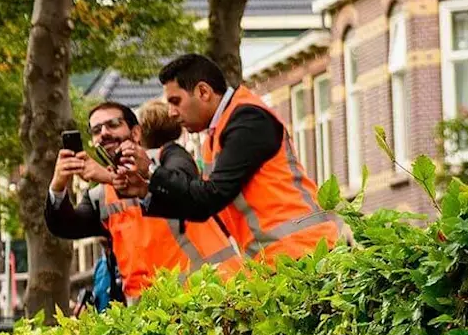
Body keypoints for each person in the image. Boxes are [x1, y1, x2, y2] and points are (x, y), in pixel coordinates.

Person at [115, 53, 347, 264]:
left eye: (175, 101)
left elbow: (212, 195)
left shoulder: (247, 118)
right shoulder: (216, 136)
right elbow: (202, 205)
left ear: (203, 92)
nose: (172, 113)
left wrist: (152, 171)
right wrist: (145, 190)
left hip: (304, 254)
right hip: (282, 258)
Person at [47, 100, 235, 302]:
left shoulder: (169, 157)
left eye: (113, 124)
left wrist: (111, 177)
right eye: (96, 130)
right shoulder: (100, 195)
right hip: (150, 315)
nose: (104, 133)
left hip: (211, 296)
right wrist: (58, 186)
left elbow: (179, 187)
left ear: (136, 133)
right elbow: (65, 226)